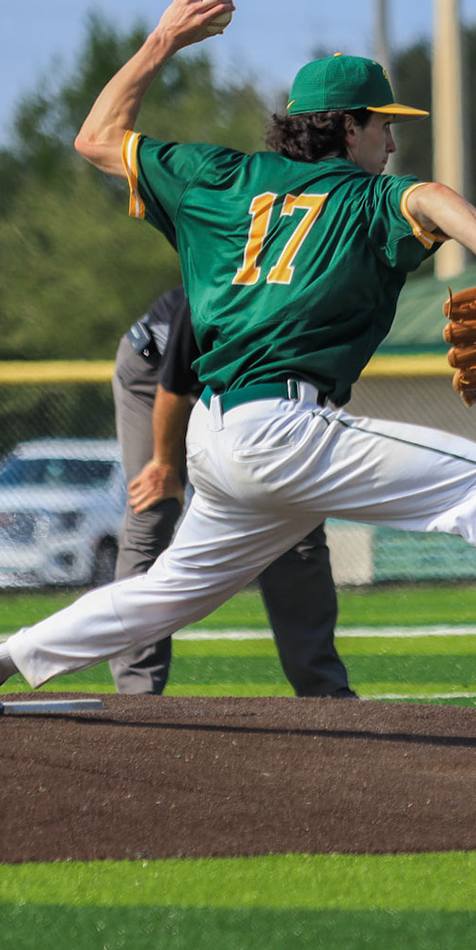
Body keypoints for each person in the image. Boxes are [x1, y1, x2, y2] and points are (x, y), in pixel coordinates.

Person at [0, 0, 476, 749]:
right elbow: (433, 198)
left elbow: (94, 138)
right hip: (285, 428)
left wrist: (161, 42)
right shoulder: (365, 198)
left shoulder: (217, 178)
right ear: (347, 126)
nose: (391, 140)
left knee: (165, 594)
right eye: (382, 124)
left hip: (219, 438)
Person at [112, 286, 353, 697]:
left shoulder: (334, 292)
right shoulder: (231, 271)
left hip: (246, 391)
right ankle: (137, 695)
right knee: (155, 507)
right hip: (158, 373)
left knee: (295, 526)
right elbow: (175, 385)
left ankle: (324, 690)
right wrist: (166, 466)